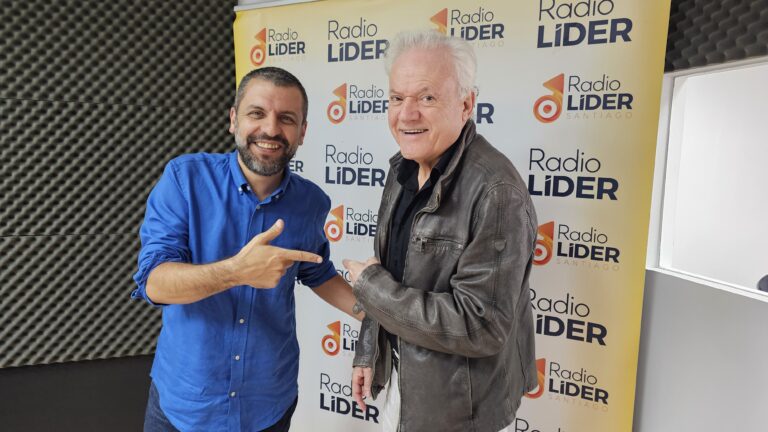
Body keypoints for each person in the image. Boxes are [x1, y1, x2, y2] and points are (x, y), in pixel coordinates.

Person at [132, 66, 361, 432]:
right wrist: (237, 271)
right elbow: (154, 283)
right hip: (184, 404)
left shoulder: (312, 202)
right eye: (257, 113)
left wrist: (382, 315)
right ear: (233, 120)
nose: (271, 129)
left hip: (268, 403)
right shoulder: (184, 179)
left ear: (302, 132)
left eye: (286, 119)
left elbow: (318, 273)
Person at [343, 30, 538, 432]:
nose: (406, 114)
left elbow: (481, 325)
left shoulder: (496, 191)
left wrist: (371, 288)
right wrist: (369, 351)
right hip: (402, 388)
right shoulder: (402, 168)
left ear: (466, 104)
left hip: (461, 412)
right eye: (397, 98)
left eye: (427, 98)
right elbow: (392, 272)